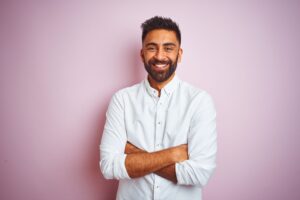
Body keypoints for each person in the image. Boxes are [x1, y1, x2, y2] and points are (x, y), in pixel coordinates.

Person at [99, 16, 217, 200]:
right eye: (152, 47)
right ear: (142, 54)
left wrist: (132, 153)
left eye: (168, 48)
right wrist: (173, 154)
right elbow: (108, 167)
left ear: (179, 54)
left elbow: (199, 174)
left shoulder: (199, 102)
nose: (160, 56)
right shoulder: (121, 100)